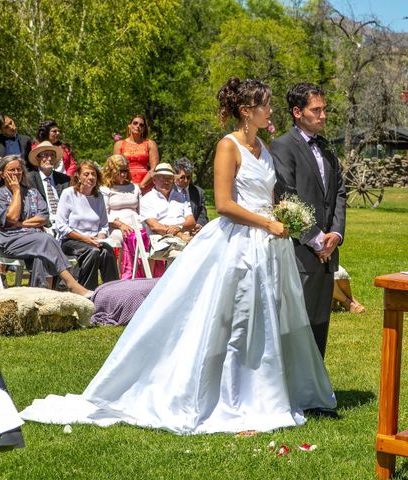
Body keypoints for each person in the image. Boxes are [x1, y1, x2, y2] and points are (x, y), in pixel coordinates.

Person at [20, 77, 336, 434]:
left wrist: (282, 218)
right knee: (237, 321)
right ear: (247, 111)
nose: (271, 110)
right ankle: (232, 401)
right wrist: (267, 223)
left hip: (268, 245)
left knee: (266, 319)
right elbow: (224, 204)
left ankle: (266, 392)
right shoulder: (227, 147)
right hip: (240, 245)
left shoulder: (263, 146)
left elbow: (267, 192)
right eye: (265, 104)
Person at [271, 82, 347, 358]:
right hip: (300, 252)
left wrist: (335, 235)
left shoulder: (327, 148)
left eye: (324, 109)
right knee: (295, 325)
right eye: (316, 110)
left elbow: (339, 192)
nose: (323, 115)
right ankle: (291, 391)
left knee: (319, 323)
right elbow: (286, 199)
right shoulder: (282, 146)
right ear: (297, 112)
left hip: (328, 250)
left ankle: (315, 390)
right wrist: (316, 240)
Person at [0, 155, 91, 295]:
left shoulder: (32, 192)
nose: (16, 173)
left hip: (34, 240)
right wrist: (16, 190)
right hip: (8, 241)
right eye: (11, 170)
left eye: (19, 170)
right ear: (2, 173)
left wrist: (20, 224)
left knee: (41, 254)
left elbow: (43, 217)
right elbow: (11, 217)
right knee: (45, 240)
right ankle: (71, 284)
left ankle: (42, 294)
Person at [55, 161, 119, 290]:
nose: (90, 177)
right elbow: (61, 226)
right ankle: (87, 292)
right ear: (78, 176)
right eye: (86, 174)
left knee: (107, 252)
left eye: (93, 174)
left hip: (94, 240)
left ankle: (112, 291)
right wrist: (85, 239)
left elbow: (103, 225)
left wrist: (100, 238)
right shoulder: (69, 193)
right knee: (93, 252)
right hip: (71, 240)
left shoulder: (98, 196)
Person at [100, 154, 148, 279]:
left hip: (135, 223)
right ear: (111, 171)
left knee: (143, 235)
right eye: (120, 171)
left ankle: (141, 274)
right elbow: (103, 214)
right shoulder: (106, 189)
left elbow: (141, 211)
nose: (123, 175)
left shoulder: (134, 187)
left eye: (125, 171)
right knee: (128, 236)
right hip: (115, 226)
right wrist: (120, 225)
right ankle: (128, 274)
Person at [26, 141, 71, 228]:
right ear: (38, 158)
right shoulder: (29, 179)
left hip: (65, 221)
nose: (49, 158)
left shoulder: (64, 179)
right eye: (45, 155)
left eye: (52, 155)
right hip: (43, 223)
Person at [113, 115, 159, 193]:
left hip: (146, 185)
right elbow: (116, 167)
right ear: (129, 125)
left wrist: (141, 185)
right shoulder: (119, 144)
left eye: (141, 125)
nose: (138, 126)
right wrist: (127, 184)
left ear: (144, 128)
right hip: (124, 184)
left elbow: (154, 168)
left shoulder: (150, 144)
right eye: (135, 123)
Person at [173, 157, 209, 229]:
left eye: (188, 177)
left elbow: (202, 216)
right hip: (174, 229)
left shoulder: (199, 192)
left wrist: (199, 226)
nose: (186, 181)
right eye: (182, 177)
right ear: (175, 175)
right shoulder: (169, 191)